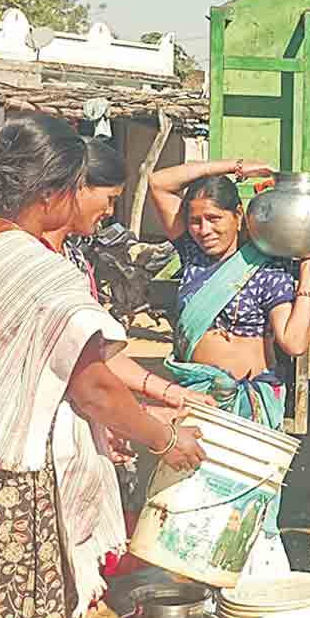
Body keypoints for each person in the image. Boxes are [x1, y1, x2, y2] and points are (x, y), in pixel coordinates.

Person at [0, 115, 207, 618]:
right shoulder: (36, 269)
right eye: (85, 187)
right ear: (54, 192)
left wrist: (148, 407)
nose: (100, 205)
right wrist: (165, 439)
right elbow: (92, 387)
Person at [41, 137, 217, 588]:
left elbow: (100, 356)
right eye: (110, 199)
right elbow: (91, 380)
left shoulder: (74, 256)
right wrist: (153, 429)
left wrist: (167, 395)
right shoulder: (40, 264)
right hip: (39, 444)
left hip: (74, 427)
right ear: (76, 188)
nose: (110, 212)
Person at [149, 158, 310, 575]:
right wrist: (233, 167)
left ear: (240, 217)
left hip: (247, 410)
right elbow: (159, 182)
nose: (204, 230)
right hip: (198, 401)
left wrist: (307, 271)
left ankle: (253, 599)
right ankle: (200, 605)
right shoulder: (192, 257)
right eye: (195, 221)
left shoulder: (268, 271)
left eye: (214, 218)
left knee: (245, 507)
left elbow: (292, 341)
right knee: (191, 502)